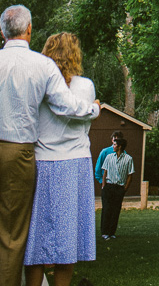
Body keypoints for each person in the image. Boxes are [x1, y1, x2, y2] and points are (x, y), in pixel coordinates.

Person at [0, 5, 100, 286]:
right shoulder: (42, 68)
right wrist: (94, 109)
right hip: (26, 154)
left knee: (28, 236)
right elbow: (66, 106)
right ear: (29, 29)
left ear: (2, 32)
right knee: (18, 234)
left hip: (35, 157)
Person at [23, 32, 98, 286]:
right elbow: (84, 125)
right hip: (74, 163)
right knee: (67, 240)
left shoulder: (38, 85)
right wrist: (95, 108)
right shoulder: (85, 86)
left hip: (42, 162)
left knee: (36, 240)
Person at [100, 132, 134, 238]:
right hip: (108, 186)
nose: (113, 146)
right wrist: (103, 185)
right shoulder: (109, 157)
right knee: (106, 209)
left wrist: (125, 189)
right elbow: (105, 172)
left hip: (119, 188)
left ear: (119, 146)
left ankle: (112, 232)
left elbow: (130, 175)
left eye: (115, 145)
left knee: (115, 210)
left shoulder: (128, 159)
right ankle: (104, 232)